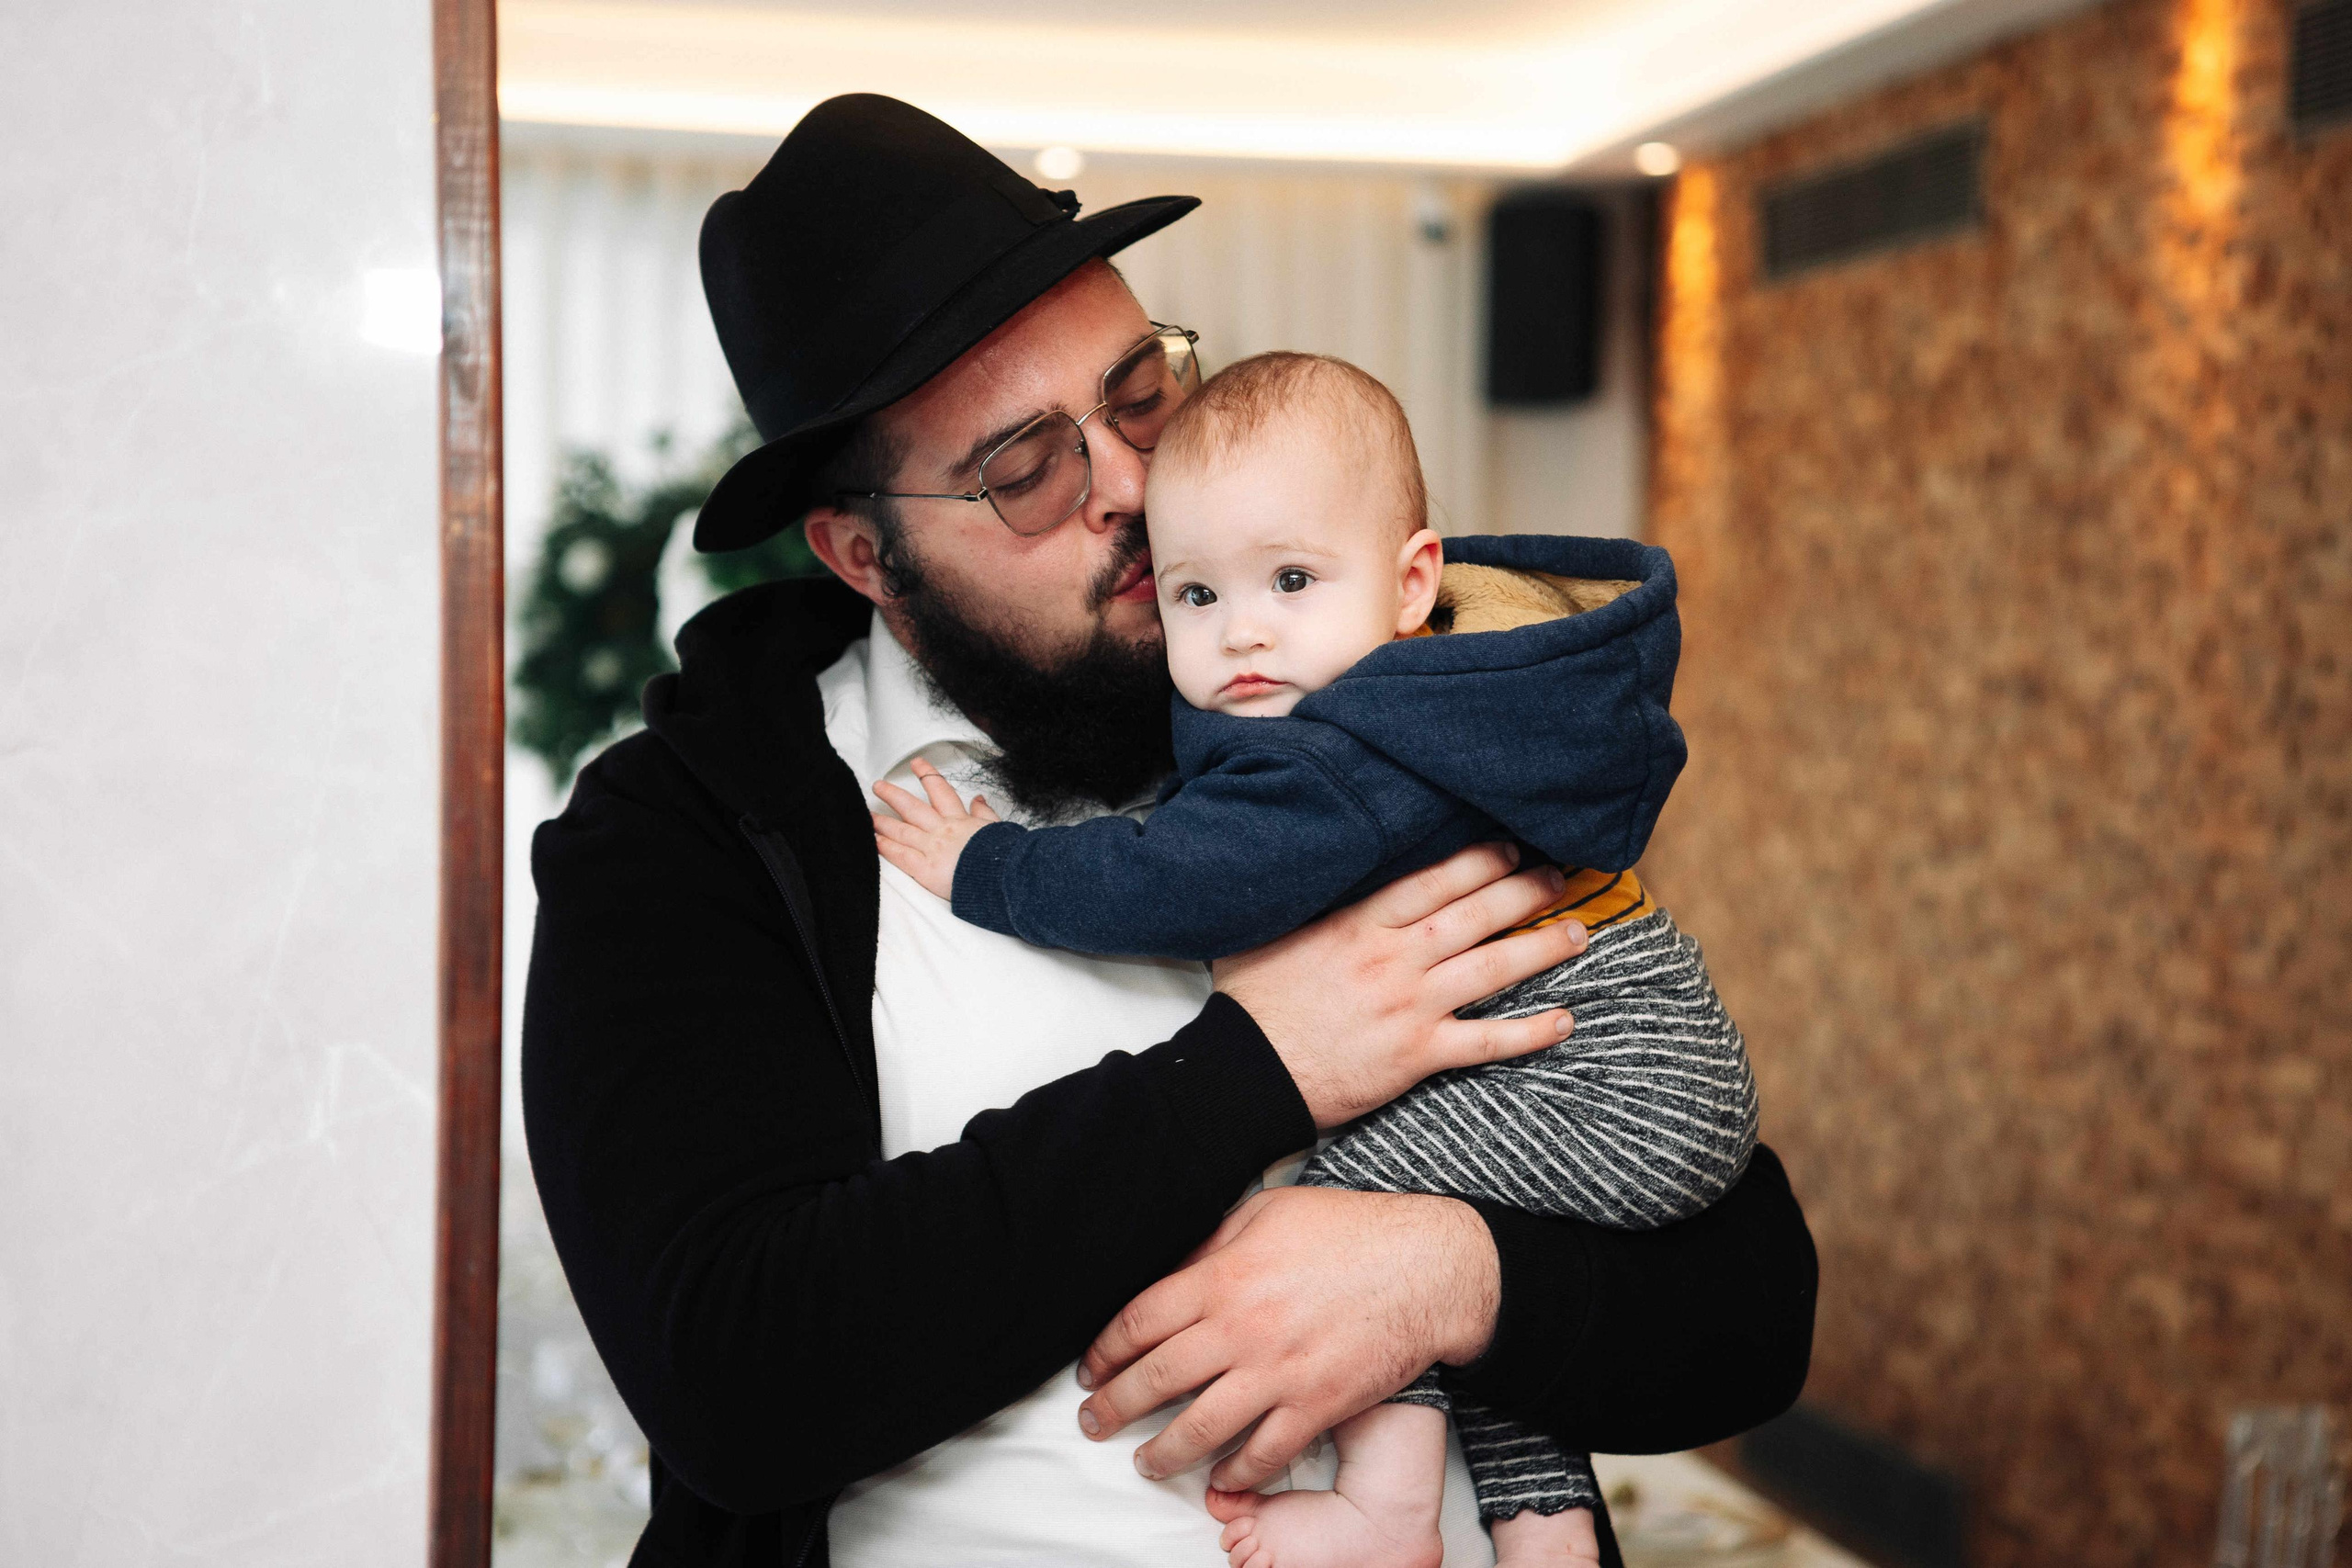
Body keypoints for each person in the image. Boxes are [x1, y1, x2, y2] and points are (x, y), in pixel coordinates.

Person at [522, 94, 1816, 1568]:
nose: (1136, 490)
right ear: (862, 553)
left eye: (1140, 396)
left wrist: (1453, 1278)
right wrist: (1261, 1068)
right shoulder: (686, 838)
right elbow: (738, 1383)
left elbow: (1754, 1307)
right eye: (1025, 468)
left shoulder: (1374, 716)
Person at [867, 351, 1758, 1568]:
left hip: (1611, 1072)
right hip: (1639, 1062)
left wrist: (988, 868)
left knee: (1338, 1197)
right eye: (1193, 596)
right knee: (1454, 1221)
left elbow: (1174, 879)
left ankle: (1388, 1509)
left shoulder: (1344, 757)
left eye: (1290, 580)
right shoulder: (1424, 697)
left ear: (1413, 585)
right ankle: (1545, 1530)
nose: (1243, 634)